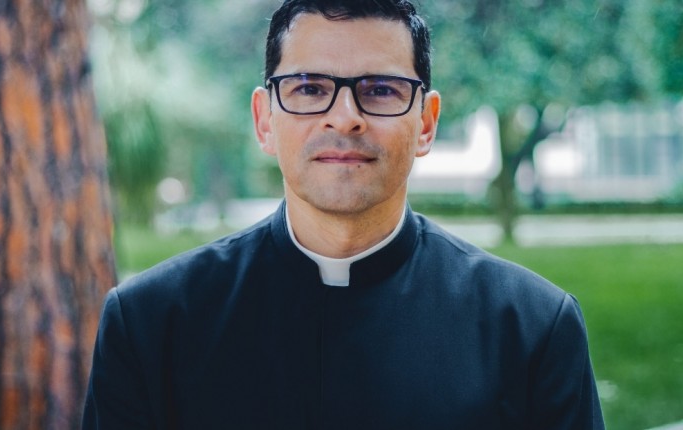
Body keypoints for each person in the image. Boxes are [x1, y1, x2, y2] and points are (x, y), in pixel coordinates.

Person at [83, 0, 605, 428]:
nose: (345, 117)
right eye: (309, 88)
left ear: (426, 123)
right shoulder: (151, 323)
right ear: (264, 120)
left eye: (381, 90)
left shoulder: (533, 327)